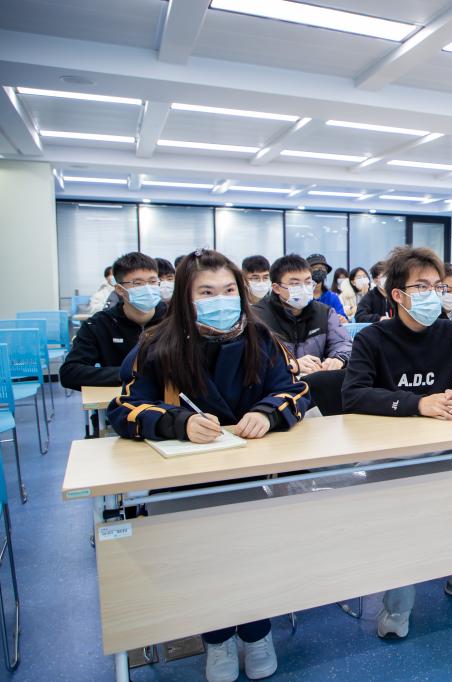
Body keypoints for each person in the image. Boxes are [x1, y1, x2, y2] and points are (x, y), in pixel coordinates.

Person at [107, 249, 308, 682]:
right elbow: (123, 408)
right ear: (186, 297)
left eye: (229, 290)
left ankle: (256, 634)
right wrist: (177, 422)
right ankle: (216, 640)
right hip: (182, 483)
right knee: (205, 565)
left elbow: (295, 391)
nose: (221, 300)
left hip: (249, 478)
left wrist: (268, 413)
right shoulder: (157, 345)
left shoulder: (261, 338)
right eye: (207, 292)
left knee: (252, 557)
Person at [340, 245, 452, 641]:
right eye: (423, 287)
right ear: (398, 295)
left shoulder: (450, 333)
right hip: (390, 460)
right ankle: (398, 605)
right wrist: (417, 404)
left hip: (448, 451)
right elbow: (353, 395)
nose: (434, 294)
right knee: (403, 517)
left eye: (438, 286)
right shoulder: (372, 339)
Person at [253, 255, 352, 414]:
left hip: (315, 390)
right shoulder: (257, 317)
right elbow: (254, 360)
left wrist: (338, 359)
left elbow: (343, 343)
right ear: (276, 288)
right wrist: (291, 364)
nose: (304, 288)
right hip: (274, 394)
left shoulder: (324, 313)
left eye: (307, 282)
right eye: (295, 284)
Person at [60, 252, 168, 391]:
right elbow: (70, 373)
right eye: (137, 283)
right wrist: (129, 373)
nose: (147, 288)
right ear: (120, 290)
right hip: (122, 400)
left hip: (170, 398)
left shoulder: (174, 319)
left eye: (153, 282)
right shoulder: (100, 324)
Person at [306, 253, 347, 320]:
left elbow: (343, 317)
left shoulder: (332, 297)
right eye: (315, 268)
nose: (320, 270)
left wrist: (342, 319)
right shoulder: (303, 297)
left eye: (323, 268)